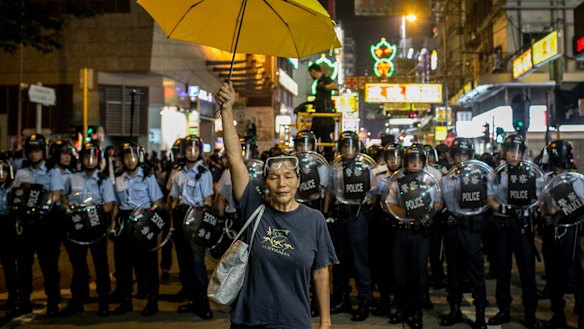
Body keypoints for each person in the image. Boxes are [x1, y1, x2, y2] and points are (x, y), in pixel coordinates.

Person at [217, 82, 337, 329]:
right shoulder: (253, 207)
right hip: (249, 319)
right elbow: (235, 159)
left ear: (299, 182)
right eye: (274, 177)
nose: (282, 183)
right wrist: (227, 110)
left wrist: (325, 322)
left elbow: (321, 273)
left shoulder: (314, 220)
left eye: (289, 177)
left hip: (293, 321)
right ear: (265, 183)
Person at [487, 134, 540, 329]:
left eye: (518, 151)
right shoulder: (496, 173)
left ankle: (530, 313)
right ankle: (504, 310)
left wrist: (529, 208)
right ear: (504, 152)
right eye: (511, 150)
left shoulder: (531, 172)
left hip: (523, 227)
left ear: (524, 153)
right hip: (502, 226)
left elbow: (539, 197)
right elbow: (489, 197)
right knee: (502, 270)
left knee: (527, 271)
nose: (514, 154)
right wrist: (503, 209)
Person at [387, 143, 441, 329]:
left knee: (419, 273)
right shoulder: (397, 180)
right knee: (400, 272)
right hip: (402, 230)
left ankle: (417, 311)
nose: (414, 164)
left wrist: (427, 216)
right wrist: (405, 213)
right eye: (411, 160)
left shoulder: (431, 180)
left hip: (420, 232)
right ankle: (402, 308)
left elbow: (438, 203)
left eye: (418, 160)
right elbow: (390, 203)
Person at [61, 141, 115, 316]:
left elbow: (109, 204)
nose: (90, 160)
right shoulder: (73, 177)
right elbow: (63, 197)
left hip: (96, 226)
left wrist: (92, 209)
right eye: (86, 156)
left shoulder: (103, 180)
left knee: (101, 264)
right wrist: (69, 206)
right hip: (76, 225)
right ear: (81, 158)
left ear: (98, 160)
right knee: (78, 265)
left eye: (93, 157)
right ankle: (77, 299)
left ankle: (104, 301)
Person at [439, 138, 488, 329]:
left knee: (476, 272)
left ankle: (480, 314)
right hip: (453, 230)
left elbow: (489, 200)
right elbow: (440, 203)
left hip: (472, 229)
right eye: (458, 154)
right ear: (452, 157)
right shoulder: (445, 179)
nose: (461, 159)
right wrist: (445, 215)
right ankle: (455, 309)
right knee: (453, 272)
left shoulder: (482, 177)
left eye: (465, 155)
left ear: (471, 156)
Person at [12, 134, 64, 317]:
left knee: (48, 265)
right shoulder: (21, 172)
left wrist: (39, 201)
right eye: (31, 151)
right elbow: (15, 195)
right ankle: (24, 301)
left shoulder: (52, 171)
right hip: (26, 224)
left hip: (46, 223)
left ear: (44, 151)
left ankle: (53, 302)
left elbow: (56, 195)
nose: (34, 154)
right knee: (24, 264)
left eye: (37, 150)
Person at [111, 142, 163, 316]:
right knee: (123, 264)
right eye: (126, 157)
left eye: (133, 156)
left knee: (148, 264)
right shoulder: (118, 178)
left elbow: (157, 203)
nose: (130, 160)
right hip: (125, 222)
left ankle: (152, 301)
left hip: (145, 221)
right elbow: (117, 205)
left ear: (139, 157)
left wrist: (150, 222)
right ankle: (126, 301)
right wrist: (113, 226)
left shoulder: (148, 177)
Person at [539, 140, 584, 329]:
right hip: (550, 231)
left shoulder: (576, 179)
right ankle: (558, 315)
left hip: (569, 231)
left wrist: (560, 210)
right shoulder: (545, 178)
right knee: (553, 274)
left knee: (573, 273)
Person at [169, 135, 214, 319]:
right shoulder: (178, 173)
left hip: (196, 218)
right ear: (183, 152)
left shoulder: (205, 173)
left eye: (196, 149)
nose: (192, 152)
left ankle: (203, 303)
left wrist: (201, 220)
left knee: (197, 261)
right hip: (181, 215)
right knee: (184, 259)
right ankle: (190, 297)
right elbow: (174, 198)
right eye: (189, 149)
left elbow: (208, 200)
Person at [368, 143, 403, 316]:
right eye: (390, 157)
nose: (393, 161)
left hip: (401, 225)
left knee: (398, 266)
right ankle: (384, 302)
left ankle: (400, 302)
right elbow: (371, 196)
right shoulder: (378, 174)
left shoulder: (407, 176)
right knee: (381, 264)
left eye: (397, 157)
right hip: (381, 223)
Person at [308, 63, 337, 161]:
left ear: (313, 71)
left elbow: (334, 85)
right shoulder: (319, 81)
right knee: (314, 134)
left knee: (324, 135)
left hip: (324, 114)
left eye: (310, 73)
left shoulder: (324, 79)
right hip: (318, 113)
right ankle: (315, 154)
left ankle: (328, 157)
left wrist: (324, 87)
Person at [0, 160, 18, 317]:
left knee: (9, 263)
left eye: (3, 171)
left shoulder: (12, 188)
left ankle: (13, 297)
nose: (1, 175)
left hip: (7, 224)